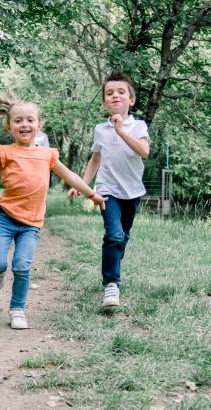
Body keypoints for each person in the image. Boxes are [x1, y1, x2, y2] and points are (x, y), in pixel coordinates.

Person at [0, 90, 106, 330]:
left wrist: (92, 193)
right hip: (6, 218)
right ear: (8, 127)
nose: (24, 124)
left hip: (31, 223)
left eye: (30, 120)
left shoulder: (48, 155)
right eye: (18, 121)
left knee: (22, 266)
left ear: (39, 125)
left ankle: (17, 309)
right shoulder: (4, 152)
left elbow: (70, 176)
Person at [67, 72, 150, 307]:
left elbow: (143, 152)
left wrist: (121, 130)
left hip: (133, 191)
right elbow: (96, 158)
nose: (115, 96)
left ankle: (113, 264)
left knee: (122, 237)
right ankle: (111, 285)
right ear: (105, 102)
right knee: (113, 235)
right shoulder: (100, 129)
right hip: (107, 190)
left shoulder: (138, 126)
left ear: (131, 100)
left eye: (121, 92)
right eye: (110, 93)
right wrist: (80, 184)